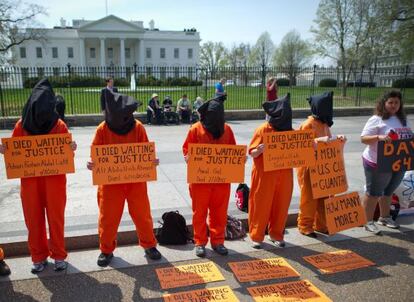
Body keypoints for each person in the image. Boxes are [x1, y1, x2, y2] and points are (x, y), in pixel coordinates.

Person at [0, 78, 77, 273]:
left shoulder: (59, 125)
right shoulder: (21, 125)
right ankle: (38, 256)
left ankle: (59, 255)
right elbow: (15, 152)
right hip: (30, 181)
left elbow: (66, 153)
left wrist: (71, 148)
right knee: (33, 219)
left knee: (55, 218)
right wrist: (6, 150)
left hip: (54, 180)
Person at [87, 90, 162, 267]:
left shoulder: (138, 128)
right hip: (110, 183)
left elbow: (145, 152)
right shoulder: (102, 129)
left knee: (142, 214)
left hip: (135, 181)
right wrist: (92, 163)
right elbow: (95, 153)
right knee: (108, 218)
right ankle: (106, 250)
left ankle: (149, 245)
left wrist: (151, 161)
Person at [182, 95, 236, 257]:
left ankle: (218, 241)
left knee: (219, 212)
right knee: (200, 212)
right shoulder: (195, 129)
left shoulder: (226, 129)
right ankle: (200, 242)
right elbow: (186, 150)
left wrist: (238, 159)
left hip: (221, 180)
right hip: (200, 181)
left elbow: (232, 149)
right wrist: (188, 158)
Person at [360, 90, 413, 235]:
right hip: (377, 162)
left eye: (397, 102)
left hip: (398, 162)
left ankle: (384, 217)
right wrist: (379, 137)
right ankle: (367, 221)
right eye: (390, 102)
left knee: (389, 191)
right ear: (384, 103)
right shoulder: (376, 119)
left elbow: (408, 137)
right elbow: (363, 138)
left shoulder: (403, 119)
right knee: (373, 193)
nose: (394, 105)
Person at [296, 91, 345, 238]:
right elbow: (302, 145)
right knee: (309, 199)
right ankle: (305, 225)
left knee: (325, 197)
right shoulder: (308, 124)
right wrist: (319, 142)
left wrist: (338, 140)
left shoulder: (324, 124)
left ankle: (322, 224)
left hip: (323, 168)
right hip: (308, 167)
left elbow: (328, 143)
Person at [248, 94, 294, 249]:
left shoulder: (290, 131)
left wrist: (312, 146)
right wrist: (259, 150)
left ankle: (276, 234)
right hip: (264, 174)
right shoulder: (263, 130)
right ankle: (257, 235)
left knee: (281, 205)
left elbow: (302, 149)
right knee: (261, 204)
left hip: (285, 173)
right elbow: (252, 152)